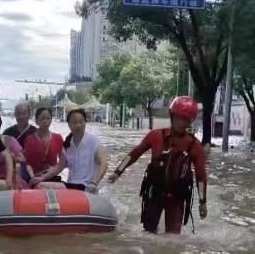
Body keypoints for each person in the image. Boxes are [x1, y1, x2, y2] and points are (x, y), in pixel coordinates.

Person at [108, 96, 208, 234]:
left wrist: (203, 202)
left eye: (185, 119)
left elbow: (201, 176)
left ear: (190, 121)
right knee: (148, 234)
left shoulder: (194, 145)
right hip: (154, 191)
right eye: (178, 117)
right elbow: (134, 154)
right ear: (172, 115)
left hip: (177, 196)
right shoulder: (155, 136)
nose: (181, 122)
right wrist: (117, 172)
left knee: (173, 238)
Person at [31, 108, 107, 193]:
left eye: (81, 122)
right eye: (74, 122)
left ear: (85, 123)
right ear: (69, 125)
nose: (78, 125)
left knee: (41, 186)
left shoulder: (94, 141)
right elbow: (59, 167)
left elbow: (104, 163)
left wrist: (94, 183)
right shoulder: (67, 145)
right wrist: (42, 178)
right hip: (71, 186)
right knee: (39, 185)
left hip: (86, 186)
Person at [23, 107, 64, 180]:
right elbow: (27, 162)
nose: (45, 121)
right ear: (36, 121)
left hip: (51, 176)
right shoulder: (30, 139)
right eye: (42, 118)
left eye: (48, 118)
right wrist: (33, 177)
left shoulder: (58, 138)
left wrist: (54, 169)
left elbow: (63, 160)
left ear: (51, 120)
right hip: (33, 176)